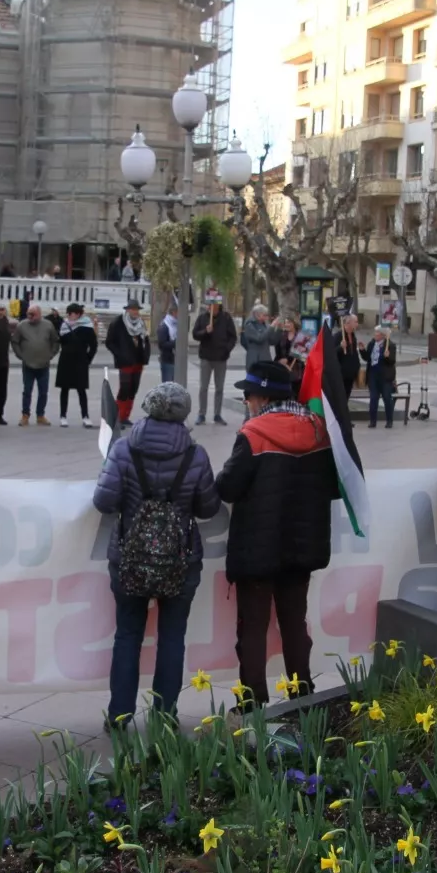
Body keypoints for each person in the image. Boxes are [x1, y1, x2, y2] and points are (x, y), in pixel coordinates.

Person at [92, 382, 219, 724]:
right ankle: (165, 717)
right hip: (181, 560)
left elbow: (104, 502)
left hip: (129, 558)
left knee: (127, 634)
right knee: (172, 637)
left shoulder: (123, 449)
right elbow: (208, 508)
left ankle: (119, 714)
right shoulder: (195, 455)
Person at [215, 360, 337, 708]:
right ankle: (302, 697)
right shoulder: (319, 431)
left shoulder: (253, 434)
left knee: (253, 628)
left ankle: (252, 703)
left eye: (249, 395)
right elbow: (332, 485)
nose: (246, 402)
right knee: (294, 625)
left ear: (264, 397)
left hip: (257, 551)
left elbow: (227, 487)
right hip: (303, 550)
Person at [192, 291, 237, 425]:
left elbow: (233, 337)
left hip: (221, 358)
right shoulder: (202, 318)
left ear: (218, 305)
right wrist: (205, 331)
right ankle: (201, 414)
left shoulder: (226, 318)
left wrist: (226, 350)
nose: (211, 307)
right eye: (209, 305)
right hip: (206, 357)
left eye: (214, 305)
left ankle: (217, 414)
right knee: (203, 388)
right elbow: (195, 335)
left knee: (219, 388)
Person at [11, 304, 59, 426]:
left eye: (33, 314)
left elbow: (55, 341)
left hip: (44, 364)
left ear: (39, 314)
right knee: (27, 391)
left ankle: (40, 415)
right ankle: (25, 415)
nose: (30, 316)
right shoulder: (21, 325)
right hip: (28, 364)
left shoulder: (48, 325)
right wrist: (20, 355)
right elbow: (15, 342)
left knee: (43, 392)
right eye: (28, 314)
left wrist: (51, 354)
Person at [106, 300, 152, 426]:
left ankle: (125, 416)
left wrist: (146, 354)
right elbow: (109, 342)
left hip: (138, 360)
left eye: (137, 309)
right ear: (127, 310)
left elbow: (145, 339)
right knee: (124, 389)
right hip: (125, 361)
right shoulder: (118, 322)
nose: (135, 312)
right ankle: (117, 417)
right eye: (133, 309)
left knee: (133, 389)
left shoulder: (141, 323)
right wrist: (120, 354)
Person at [57, 303, 97, 428]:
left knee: (81, 389)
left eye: (71, 313)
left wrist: (87, 359)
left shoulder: (87, 327)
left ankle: (85, 416)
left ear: (78, 314)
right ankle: (63, 416)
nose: (69, 316)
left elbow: (93, 345)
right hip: (65, 360)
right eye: (68, 313)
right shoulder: (64, 326)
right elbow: (61, 342)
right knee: (64, 389)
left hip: (80, 361)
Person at [360, 323, 399, 429]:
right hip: (373, 375)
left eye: (377, 332)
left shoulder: (390, 345)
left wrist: (387, 357)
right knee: (373, 398)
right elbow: (367, 358)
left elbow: (392, 361)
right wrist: (362, 350)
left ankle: (389, 421)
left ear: (382, 335)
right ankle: (372, 421)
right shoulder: (372, 343)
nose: (375, 334)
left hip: (385, 377)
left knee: (387, 398)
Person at [336, 312, 363, 397]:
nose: (357, 324)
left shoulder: (352, 335)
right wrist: (340, 347)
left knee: (347, 395)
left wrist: (357, 366)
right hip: (341, 374)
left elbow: (354, 353)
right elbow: (331, 353)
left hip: (351, 374)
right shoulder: (338, 336)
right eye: (355, 322)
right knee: (340, 397)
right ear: (348, 323)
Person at [156, 304, 178, 386]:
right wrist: (176, 343)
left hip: (176, 359)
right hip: (167, 360)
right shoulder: (164, 325)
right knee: (168, 385)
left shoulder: (176, 324)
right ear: (174, 312)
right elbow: (162, 344)